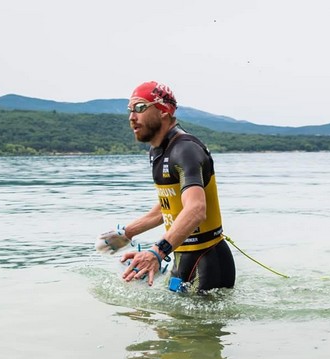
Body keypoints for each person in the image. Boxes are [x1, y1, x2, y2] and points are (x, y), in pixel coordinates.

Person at [97, 81, 235, 292]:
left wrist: (156, 252)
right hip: (182, 257)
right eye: (130, 110)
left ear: (164, 110)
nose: (132, 117)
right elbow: (169, 205)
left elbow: (196, 209)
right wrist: (128, 233)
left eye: (140, 108)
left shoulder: (185, 150)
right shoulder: (159, 152)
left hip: (208, 262)